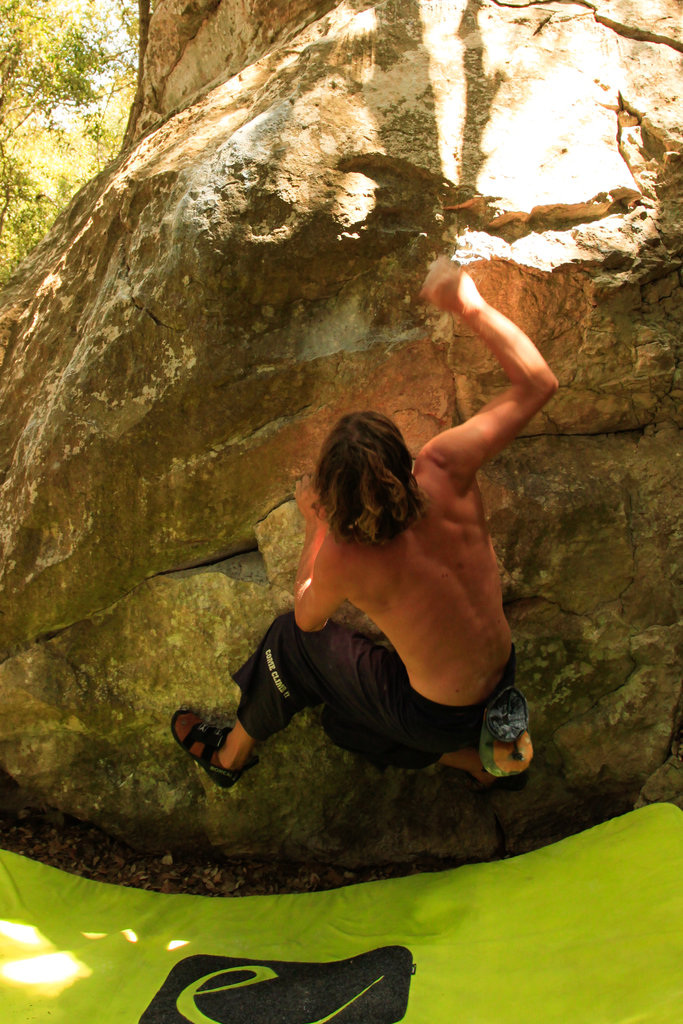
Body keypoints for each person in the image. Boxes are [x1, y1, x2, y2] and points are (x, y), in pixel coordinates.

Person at [172, 257, 558, 790]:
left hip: (436, 717)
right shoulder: (448, 466)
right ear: (403, 456)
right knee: (342, 722)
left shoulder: (347, 554)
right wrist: (469, 302)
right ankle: (484, 755)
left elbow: (307, 620)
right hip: (503, 680)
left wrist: (314, 528)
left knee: (290, 645)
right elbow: (538, 383)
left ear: (333, 493)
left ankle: (229, 758)